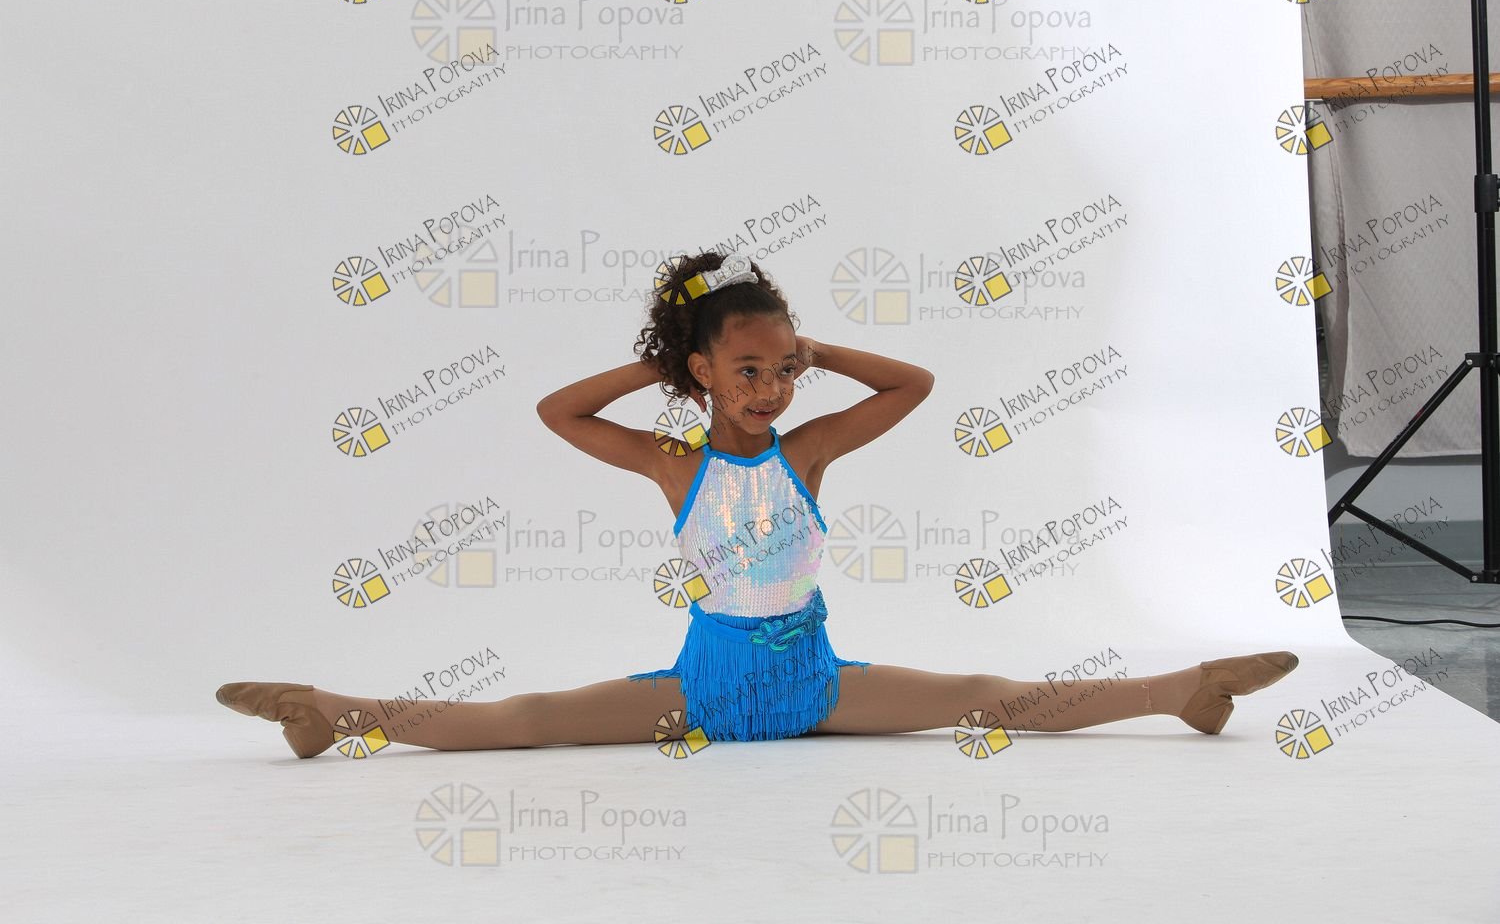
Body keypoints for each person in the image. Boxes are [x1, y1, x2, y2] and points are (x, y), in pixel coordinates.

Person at [217, 250, 1298, 757]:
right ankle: (331, 712)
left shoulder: (809, 452)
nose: (771, 388)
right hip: (704, 690)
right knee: (525, 721)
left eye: (783, 370)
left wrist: (817, 347)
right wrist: (659, 367)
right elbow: (557, 411)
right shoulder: (674, 466)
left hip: (815, 684)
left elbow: (914, 386)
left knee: (988, 695)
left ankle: (1184, 689)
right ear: (703, 373)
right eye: (747, 369)